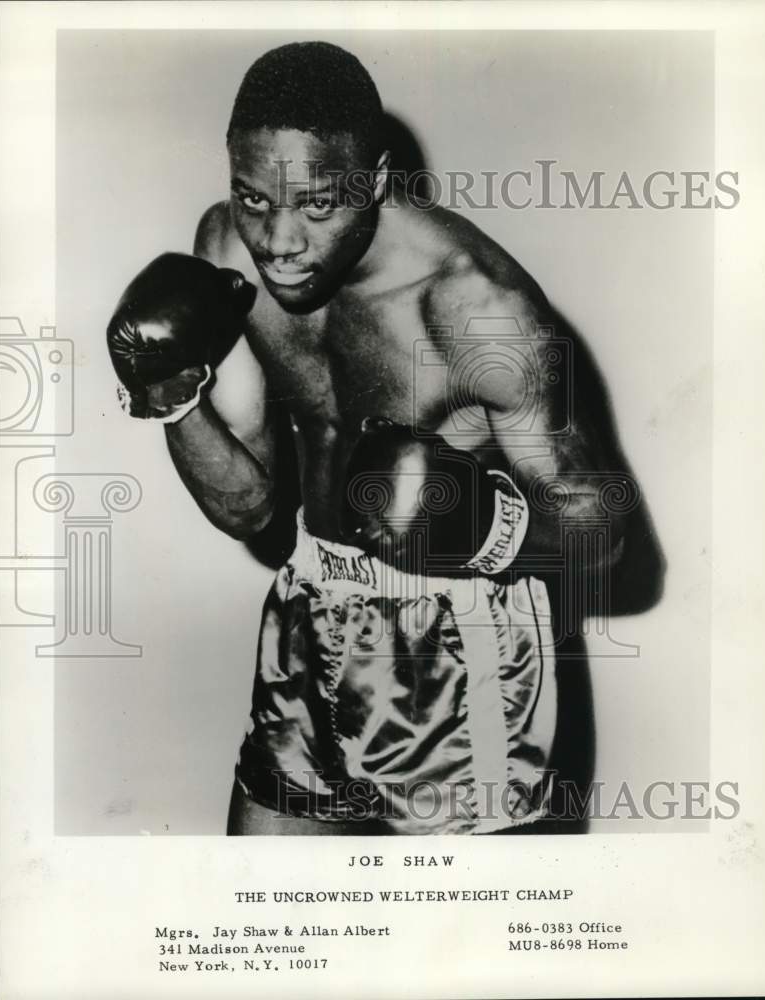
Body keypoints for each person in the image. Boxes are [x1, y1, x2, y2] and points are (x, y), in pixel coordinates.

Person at [107, 41, 660, 835]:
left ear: (374, 181)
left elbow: (605, 534)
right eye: (254, 198)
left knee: (455, 948)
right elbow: (249, 506)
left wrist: (482, 527)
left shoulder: (473, 304)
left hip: (456, 645)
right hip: (304, 606)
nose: (279, 242)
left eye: (318, 204)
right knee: (256, 926)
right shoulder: (226, 249)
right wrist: (171, 398)